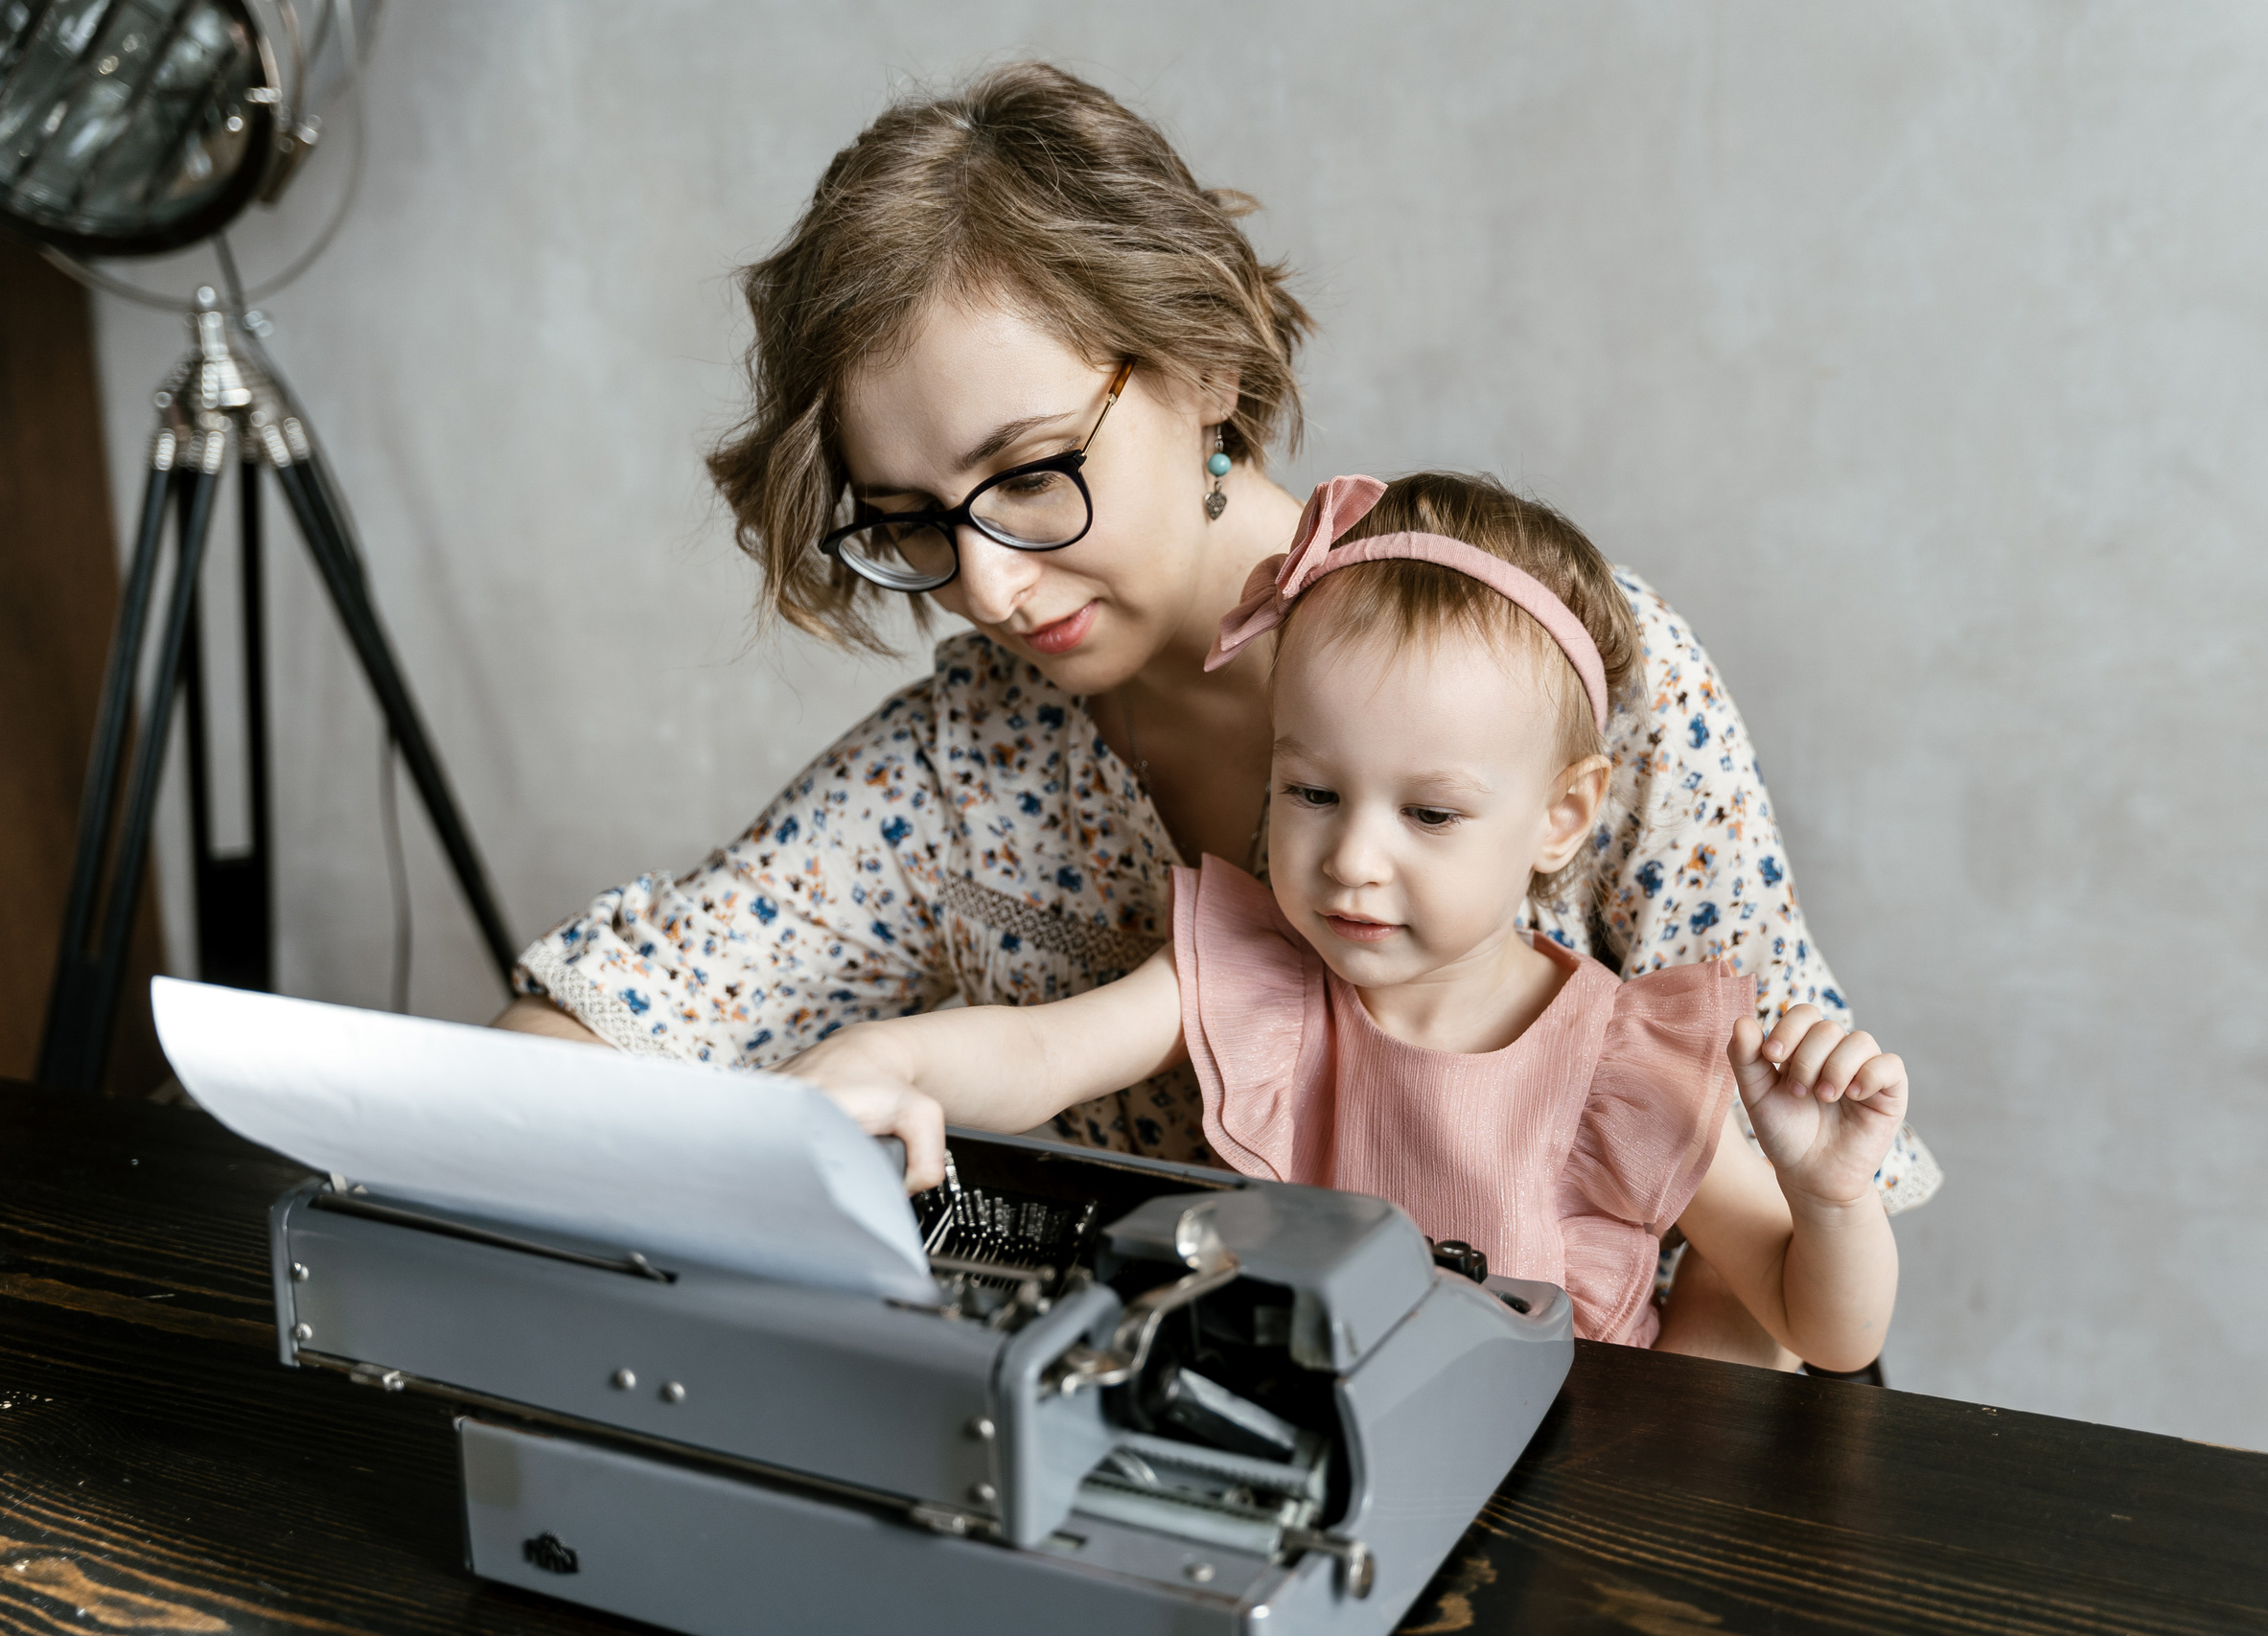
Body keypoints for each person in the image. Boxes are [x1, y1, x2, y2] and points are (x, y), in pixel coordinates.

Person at [495, 61, 1939, 1365]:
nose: (987, 585)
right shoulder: (965, 760)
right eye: (913, 523)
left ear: (1206, 369)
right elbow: (603, 1026)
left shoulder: (1577, 662)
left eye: (1032, 471)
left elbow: (1787, 1280)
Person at [796, 472, 1906, 1366]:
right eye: (1312, 794)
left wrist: (1831, 1194)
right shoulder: (1260, 974)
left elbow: (1826, 1333)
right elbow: (1044, 1048)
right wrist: (884, 1058)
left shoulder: (1625, 1062)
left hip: (1559, 1499)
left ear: (1562, 815)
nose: (1352, 861)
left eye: (1428, 813)